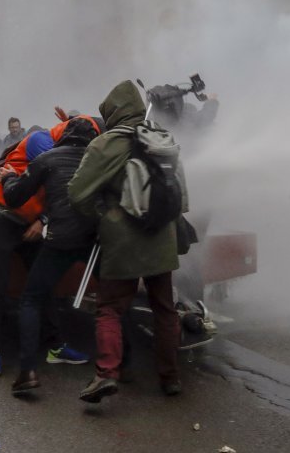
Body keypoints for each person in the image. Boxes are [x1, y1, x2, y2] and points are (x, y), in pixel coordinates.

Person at [69, 81, 184, 402]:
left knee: (109, 309)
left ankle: (107, 374)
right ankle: (170, 377)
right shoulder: (161, 138)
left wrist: (103, 214)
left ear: (113, 112)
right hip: (162, 235)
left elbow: (77, 194)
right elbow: (181, 197)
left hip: (122, 241)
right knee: (165, 308)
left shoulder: (106, 144)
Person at [2, 117, 99, 395]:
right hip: (94, 240)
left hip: (60, 240)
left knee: (31, 299)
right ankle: (118, 367)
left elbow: (14, 197)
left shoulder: (47, 158)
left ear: (64, 136)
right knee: (114, 300)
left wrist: (9, 177)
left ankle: (28, 372)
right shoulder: (99, 160)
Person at [0, 129, 53, 377]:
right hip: (0, 219)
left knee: (44, 280)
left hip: (30, 223)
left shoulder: (57, 159)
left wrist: (41, 220)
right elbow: (12, 192)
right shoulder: (13, 163)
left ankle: (56, 344)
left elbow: (61, 195)